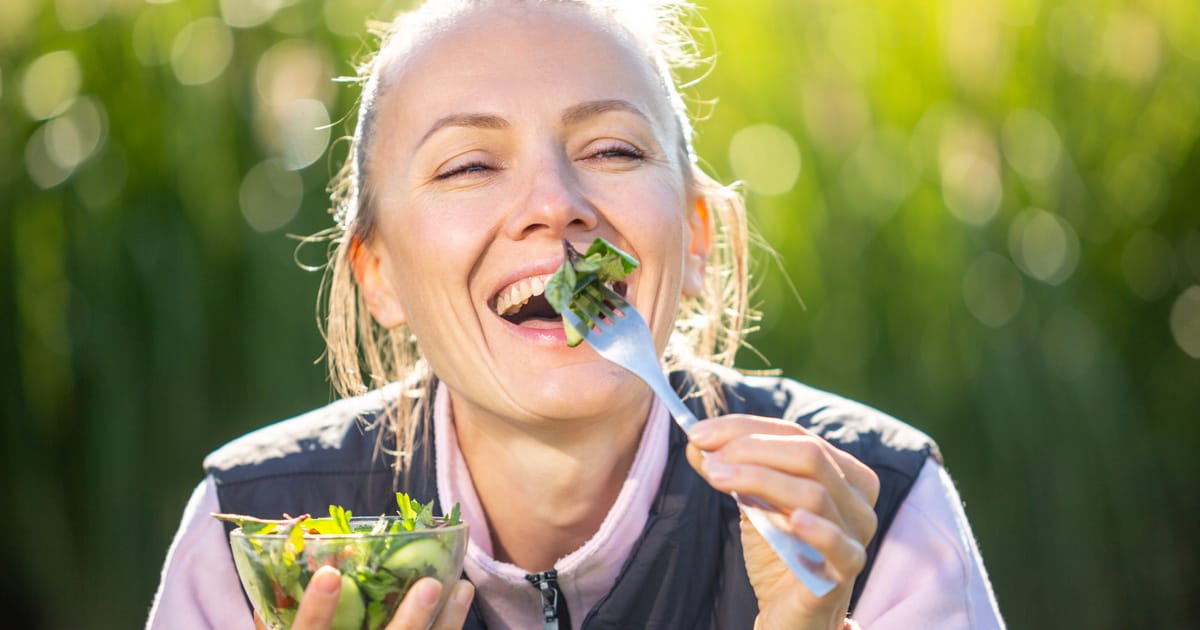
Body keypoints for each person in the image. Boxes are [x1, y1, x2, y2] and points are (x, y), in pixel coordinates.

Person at [148, 1, 1005, 628]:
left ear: (697, 237)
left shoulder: (880, 516)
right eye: (469, 165)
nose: (555, 204)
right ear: (380, 276)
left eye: (613, 150)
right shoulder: (249, 540)